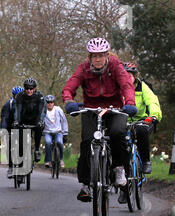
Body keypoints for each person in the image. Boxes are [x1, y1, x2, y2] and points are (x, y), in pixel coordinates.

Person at [62, 37, 137, 202]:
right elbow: (70, 86)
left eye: (101, 55)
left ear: (107, 55)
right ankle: (86, 184)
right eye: (94, 56)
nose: (98, 59)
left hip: (114, 109)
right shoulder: (83, 69)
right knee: (87, 141)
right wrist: (69, 101)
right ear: (89, 57)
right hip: (92, 110)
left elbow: (126, 85)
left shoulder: (115, 66)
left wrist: (130, 103)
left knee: (118, 133)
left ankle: (119, 169)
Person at [117, 62, 162, 204]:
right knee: (118, 144)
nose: (127, 77)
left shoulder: (143, 87)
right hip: (122, 120)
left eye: (130, 75)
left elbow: (152, 102)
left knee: (142, 131)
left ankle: (146, 161)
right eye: (125, 75)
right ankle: (124, 188)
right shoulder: (117, 88)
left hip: (141, 120)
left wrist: (153, 116)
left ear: (135, 76)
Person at [12, 78, 46, 163]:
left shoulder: (39, 96)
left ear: (34, 88)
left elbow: (41, 111)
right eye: (27, 88)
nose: (29, 90)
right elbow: (17, 110)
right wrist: (16, 121)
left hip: (35, 120)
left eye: (31, 89)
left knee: (39, 129)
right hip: (23, 120)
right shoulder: (19, 96)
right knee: (20, 138)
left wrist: (40, 121)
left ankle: (37, 150)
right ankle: (20, 155)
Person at [1, 86, 24, 178]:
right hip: (11, 127)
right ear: (13, 96)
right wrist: (3, 130)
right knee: (10, 145)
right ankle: (10, 167)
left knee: (24, 144)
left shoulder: (27, 104)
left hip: (23, 127)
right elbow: (4, 118)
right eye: (16, 96)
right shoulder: (8, 105)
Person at [41, 95, 68, 169]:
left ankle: (61, 159)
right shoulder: (43, 111)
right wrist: (40, 130)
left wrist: (65, 132)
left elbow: (64, 121)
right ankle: (48, 160)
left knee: (59, 142)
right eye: (48, 102)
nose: (50, 104)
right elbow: (40, 121)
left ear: (53, 103)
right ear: (46, 103)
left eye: (51, 102)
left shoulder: (58, 110)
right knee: (48, 142)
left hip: (58, 131)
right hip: (47, 132)